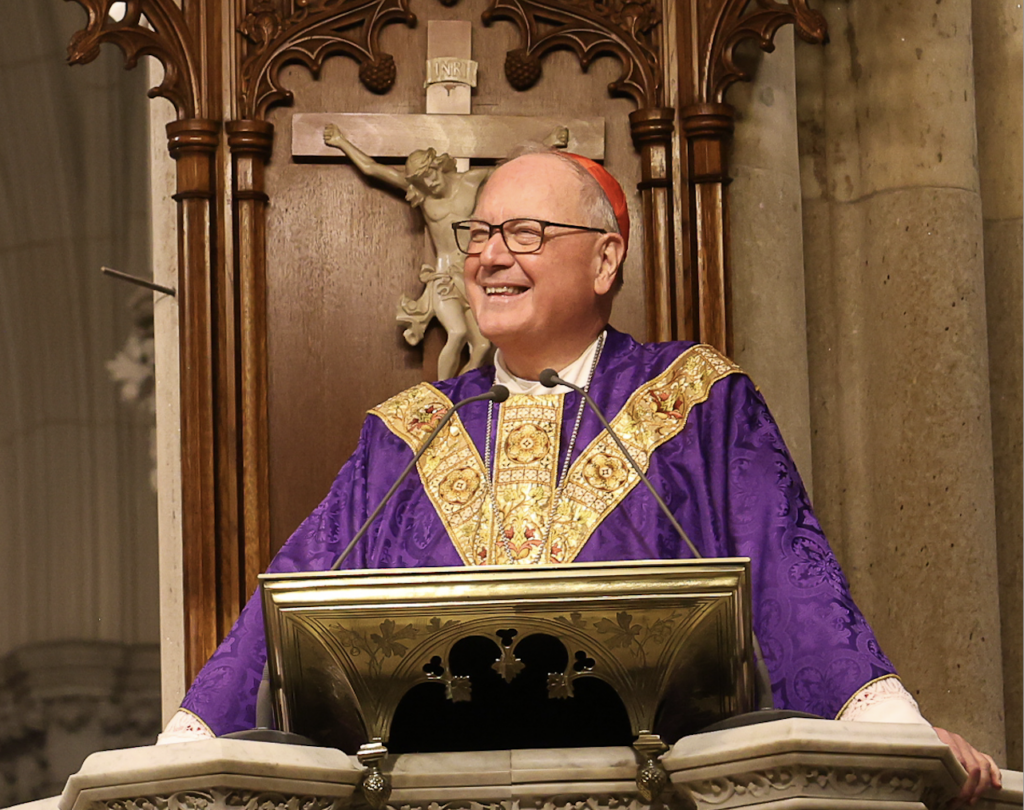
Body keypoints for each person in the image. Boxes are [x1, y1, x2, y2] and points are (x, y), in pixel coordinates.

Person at [161, 148, 1001, 806]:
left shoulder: (694, 400)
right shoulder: (408, 431)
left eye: (524, 233)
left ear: (604, 261)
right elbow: (291, 600)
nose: (490, 257)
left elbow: (790, 574)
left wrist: (891, 730)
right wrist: (184, 749)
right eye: (479, 235)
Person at [324, 124, 492, 379]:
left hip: (470, 276)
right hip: (442, 278)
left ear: (439, 166)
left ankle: (463, 396)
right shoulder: (423, 196)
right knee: (457, 334)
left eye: (432, 175)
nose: (430, 183)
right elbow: (372, 168)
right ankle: (441, 395)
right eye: (422, 180)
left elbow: (511, 170)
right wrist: (340, 141)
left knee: (482, 346)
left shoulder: (471, 181)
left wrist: (548, 144)